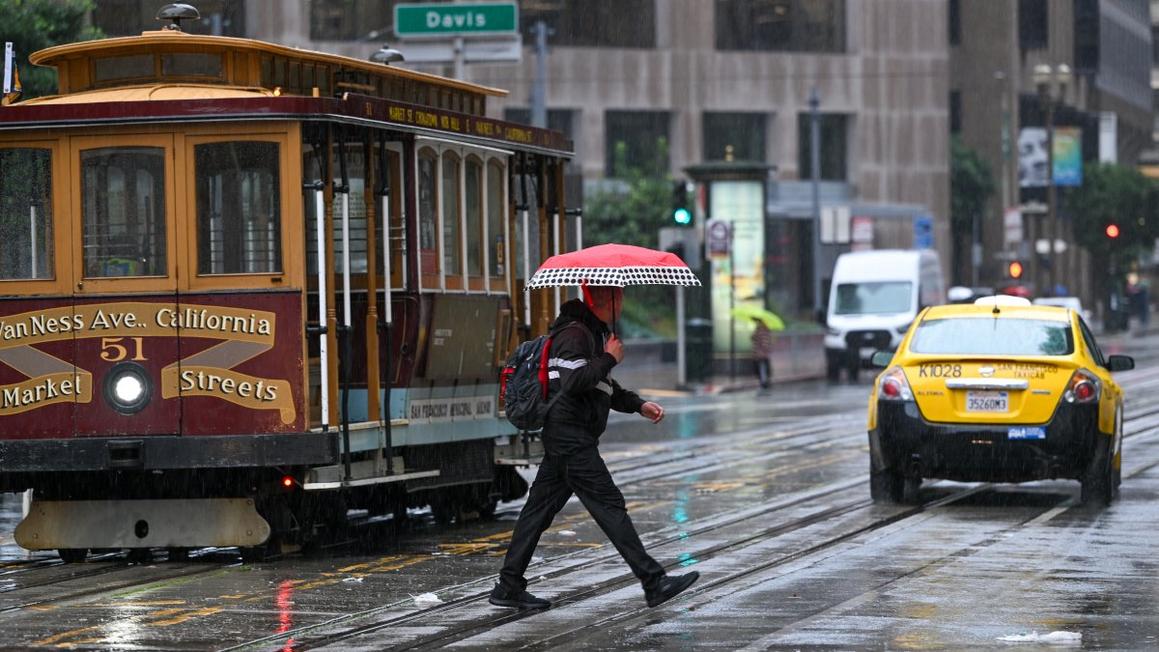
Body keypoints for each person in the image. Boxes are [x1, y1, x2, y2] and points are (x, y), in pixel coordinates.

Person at [489, 286, 700, 610]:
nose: (623, 302)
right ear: (607, 301)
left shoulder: (589, 333)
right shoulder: (575, 334)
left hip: (567, 436)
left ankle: (508, 585)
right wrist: (608, 357)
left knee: (537, 512)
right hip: (570, 437)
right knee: (608, 505)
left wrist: (637, 404)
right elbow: (575, 381)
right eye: (619, 297)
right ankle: (653, 581)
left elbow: (601, 386)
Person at [751, 318, 773, 391]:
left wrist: (764, 351)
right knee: (761, 368)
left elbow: (765, 343)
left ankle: (764, 383)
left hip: (761, 354)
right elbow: (753, 338)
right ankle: (764, 382)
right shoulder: (760, 330)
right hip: (760, 353)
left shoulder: (762, 330)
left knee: (762, 368)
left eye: (757, 322)